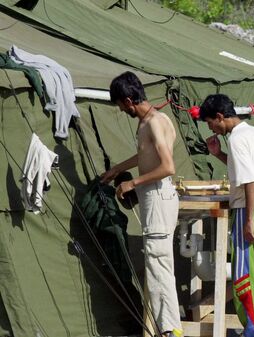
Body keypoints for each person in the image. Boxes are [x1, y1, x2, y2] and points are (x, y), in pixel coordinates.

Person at [101, 71, 182, 337]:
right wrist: (117, 170)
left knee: (159, 267)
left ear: (128, 100)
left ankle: (170, 330)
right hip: (158, 197)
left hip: (157, 196)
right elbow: (146, 154)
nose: (121, 110)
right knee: (159, 265)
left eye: (120, 105)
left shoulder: (153, 123)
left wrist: (132, 183)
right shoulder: (157, 119)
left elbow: (167, 166)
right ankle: (167, 329)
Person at [200, 94, 254, 337]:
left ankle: (253, 330)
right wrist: (217, 154)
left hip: (251, 208)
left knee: (245, 276)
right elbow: (246, 170)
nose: (211, 128)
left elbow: (251, 180)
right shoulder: (253, 132)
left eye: (211, 123)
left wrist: (247, 219)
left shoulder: (236, 139)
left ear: (220, 117)